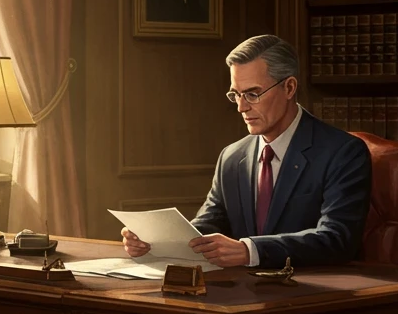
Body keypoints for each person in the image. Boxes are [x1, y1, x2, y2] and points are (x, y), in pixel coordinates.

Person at [121, 35, 372, 268]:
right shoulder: (232, 156)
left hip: (312, 290)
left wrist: (250, 251)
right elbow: (209, 225)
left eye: (252, 94)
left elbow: (337, 238)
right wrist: (156, 242)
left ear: (289, 88)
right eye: (236, 94)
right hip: (243, 290)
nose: (241, 107)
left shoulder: (343, 152)